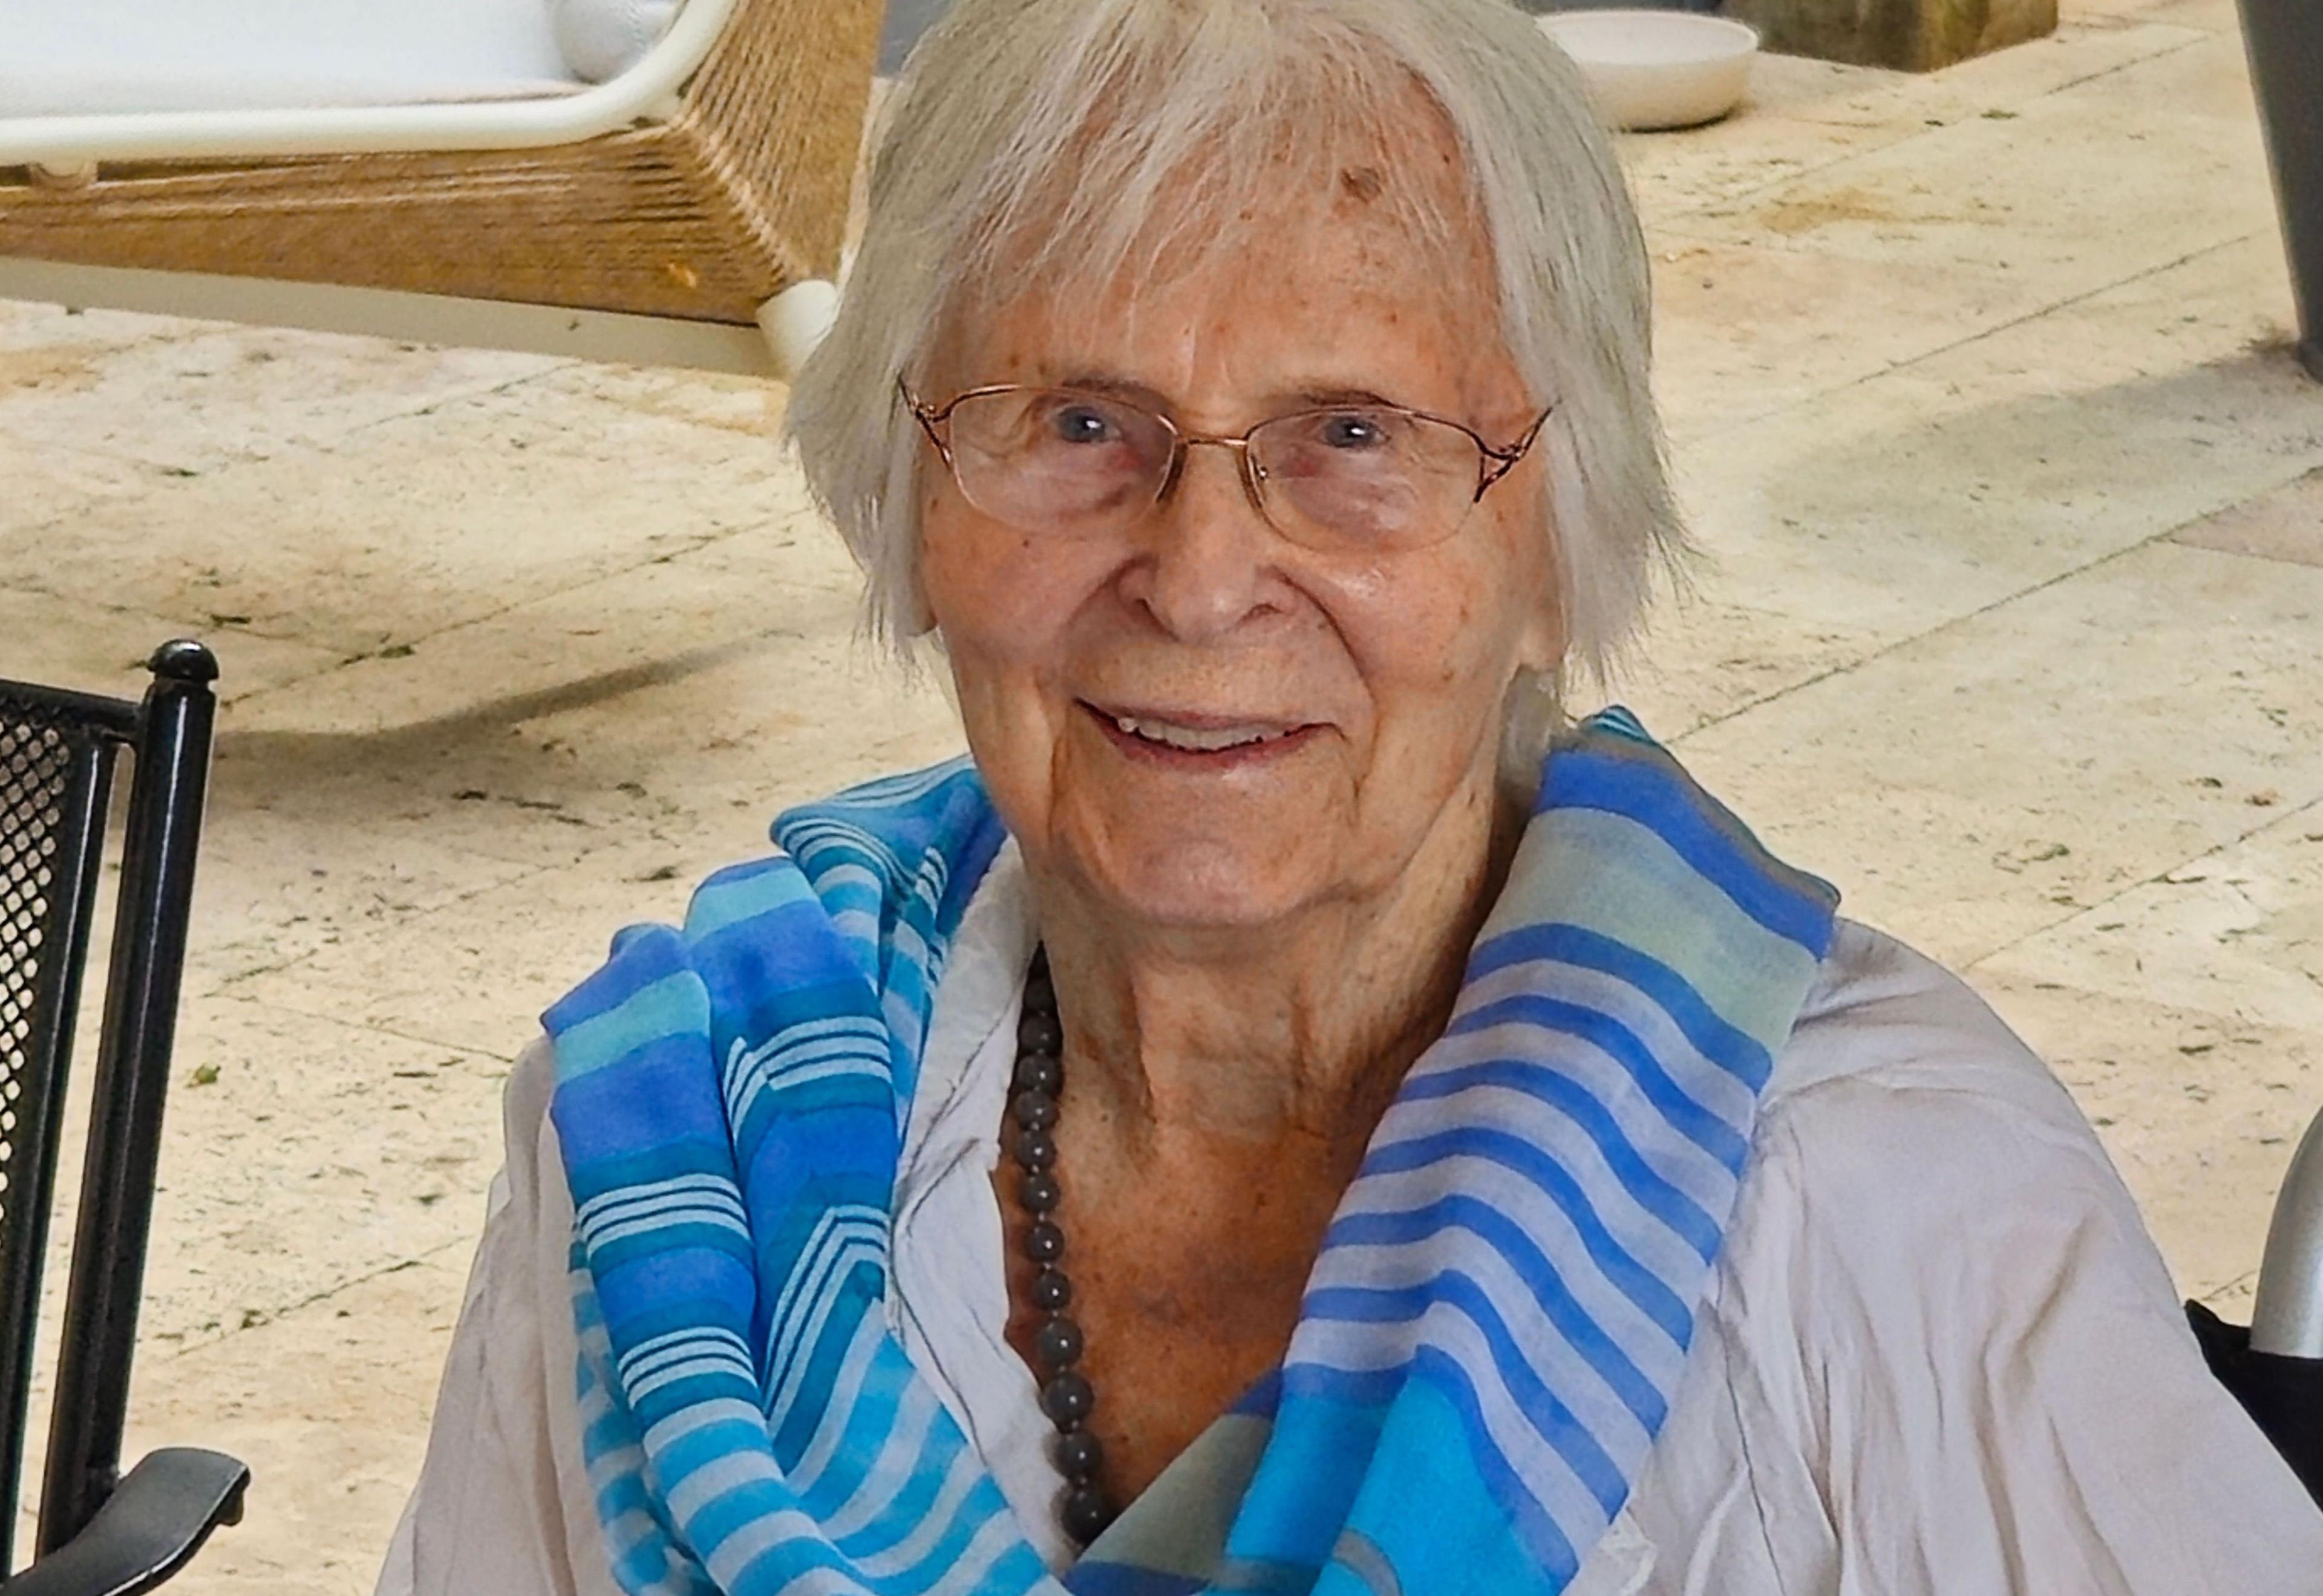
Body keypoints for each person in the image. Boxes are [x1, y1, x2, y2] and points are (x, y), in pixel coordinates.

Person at [377, 1, 2323, 1591]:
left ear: (1557, 550)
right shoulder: (678, 1149)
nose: (1200, 577)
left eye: (1354, 434)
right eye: (1078, 421)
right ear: (902, 497)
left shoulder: (1882, 1205)